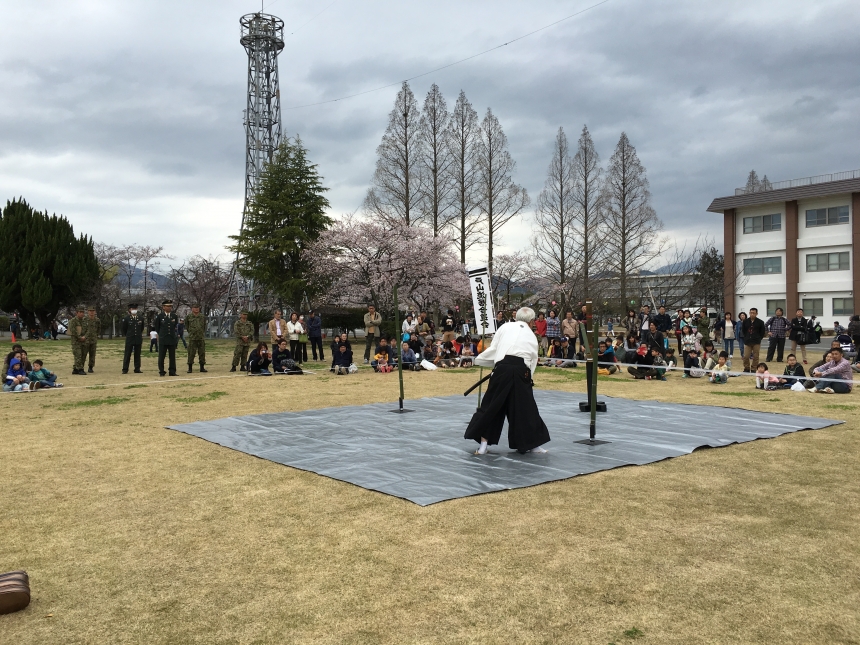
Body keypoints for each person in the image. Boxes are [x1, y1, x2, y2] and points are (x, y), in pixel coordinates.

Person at [465, 307, 550, 455]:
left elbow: (494, 348)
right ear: (531, 321)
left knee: (492, 406)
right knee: (525, 408)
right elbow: (532, 359)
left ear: (516, 317)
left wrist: (484, 361)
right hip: (521, 370)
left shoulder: (505, 327)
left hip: (502, 368)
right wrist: (529, 378)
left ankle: (483, 446)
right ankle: (532, 445)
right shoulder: (531, 335)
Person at [154, 299, 180, 377]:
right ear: (163, 307)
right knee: (162, 356)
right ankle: (161, 371)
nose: (169, 308)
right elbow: (157, 327)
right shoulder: (160, 316)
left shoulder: (174, 316)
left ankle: (172, 371)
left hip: (171, 338)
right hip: (163, 338)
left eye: (170, 306)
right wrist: (161, 335)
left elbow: (175, 326)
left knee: (172, 356)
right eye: (167, 306)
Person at [120, 303, 145, 374]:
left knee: (137, 354)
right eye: (132, 309)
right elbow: (124, 329)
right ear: (129, 310)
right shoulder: (126, 319)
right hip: (130, 338)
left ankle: (137, 368)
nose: (134, 310)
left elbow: (141, 328)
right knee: (127, 354)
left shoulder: (140, 318)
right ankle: (125, 369)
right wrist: (128, 335)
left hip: (138, 338)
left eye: (135, 309)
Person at [741, 307, 766, 372]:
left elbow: (762, 332)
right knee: (746, 356)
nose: (752, 314)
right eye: (751, 313)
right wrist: (746, 337)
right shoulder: (745, 321)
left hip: (756, 341)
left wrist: (759, 338)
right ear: (749, 313)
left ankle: (754, 368)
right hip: (747, 341)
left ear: (756, 314)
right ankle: (746, 368)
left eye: (753, 313)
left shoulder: (760, 322)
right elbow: (743, 330)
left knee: (756, 356)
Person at [185, 303, 207, 373]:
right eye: (195, 308)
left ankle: (202, 367)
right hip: (192, 338)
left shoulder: (202, 316)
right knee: (191, 353)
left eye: (197, 308)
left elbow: (204, 326)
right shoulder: (189, 317)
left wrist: (201, 332)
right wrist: (191, 332)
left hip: (200, 337)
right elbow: (187, 326)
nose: (196, 309)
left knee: (202, 353)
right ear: (192, 309)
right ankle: (190, 368)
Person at [79, 306, 99, 373]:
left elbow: (99, 329)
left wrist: (96, 336)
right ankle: (81, 367)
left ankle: (91, 367)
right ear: (88, 312)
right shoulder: (84, 320)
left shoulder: (97, 320)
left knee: (92, 354)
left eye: (93, 311)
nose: (91, 312)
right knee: (83, 354)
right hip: (85, 340)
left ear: (95, 312)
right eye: (90, 311)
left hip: (93, 340)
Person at [68, 305, 86, 375]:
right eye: (80, 312)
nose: (82, 313)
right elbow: (73, 331)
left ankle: (75, 369)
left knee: (82, 355)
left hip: (83, 340)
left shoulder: (84, 321)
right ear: (77, 313)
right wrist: (79, 337)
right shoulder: (73, 321)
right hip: (76, 341)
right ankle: (80, 369)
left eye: (83, 312)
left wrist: (85, 337)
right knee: (78, 355)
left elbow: (86, 329)